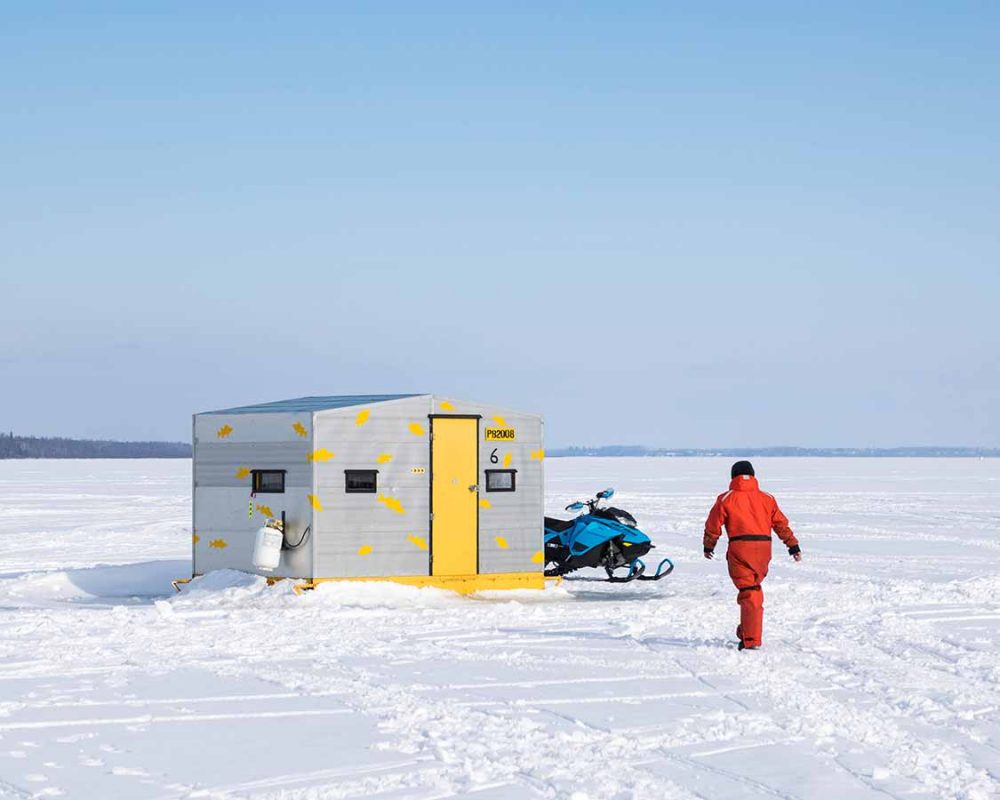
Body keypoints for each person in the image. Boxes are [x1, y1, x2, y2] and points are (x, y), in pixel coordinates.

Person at [703, 461, 802, 650]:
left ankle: (751, 639)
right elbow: (781, 524)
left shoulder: (726, 498)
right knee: (752, 589)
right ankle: (747, 630)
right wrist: (793, 546)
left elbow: (713, 526)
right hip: (764, 550)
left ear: (733, 476)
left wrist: (708, 546)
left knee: (750, 593)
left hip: (740, 548)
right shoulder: (767, 498)